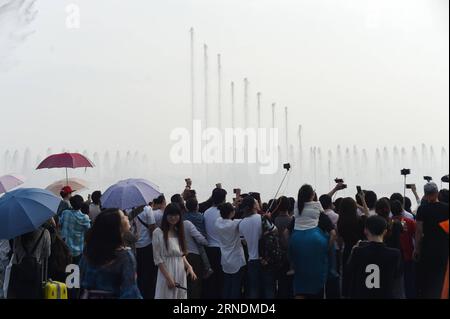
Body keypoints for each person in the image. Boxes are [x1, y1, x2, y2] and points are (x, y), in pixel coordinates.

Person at [80, 209, 142, 299]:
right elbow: (130, 292)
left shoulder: (89, 251)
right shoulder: (125, 256)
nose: (126, 217)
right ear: (117, 226)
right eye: (123, 217)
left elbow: (81, 281)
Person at [347, 215, 403, 299]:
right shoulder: (395, 254)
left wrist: (353, 250)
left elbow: (349, 270)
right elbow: (396, 277)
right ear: (385, 232)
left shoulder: (358, 251)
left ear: (365, 230)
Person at [289, 184, 329, 299]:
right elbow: (332, 231)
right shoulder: (317, 204)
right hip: (314, 237)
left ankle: (291, 266)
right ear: (312, 195)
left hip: (296, 239)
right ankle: (331, 272)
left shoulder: (297, 205)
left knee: (299, 279)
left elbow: (287, 233)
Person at [152, 204, 197, 299]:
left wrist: (189, 266)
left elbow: (180, 254)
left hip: (180, 270)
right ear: (166, 216)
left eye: (176, 215)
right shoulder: (158, 232)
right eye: (170, 215)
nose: (173, 218)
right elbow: (158, 259)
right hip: (167, 270)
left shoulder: (178, 231)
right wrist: (168, 278)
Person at [415, 182, 449, 299]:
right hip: (444, 247)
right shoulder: (446, 208)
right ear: (437, 193)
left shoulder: (422, 209)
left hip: (428, 247)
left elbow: (419, 231)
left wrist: (416, 249)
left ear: (425, 195)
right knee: (442, 275)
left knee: (428, 276)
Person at [239, 196, 276, 299]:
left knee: (254, 289)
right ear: (254, 206)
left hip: (252, 260)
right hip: (265, 258)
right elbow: (275, 231)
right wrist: (268, 219)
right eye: (256, 202)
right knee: (269, 288)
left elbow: (244, 242)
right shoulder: (262, 219)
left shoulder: (241, 223)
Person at [7, 227, 51, 299]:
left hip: (18, 270)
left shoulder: (17, 232)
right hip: (35, 271)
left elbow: (15, 249)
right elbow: (47, 254)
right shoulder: (45, 233)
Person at [337, 196, 367, 297]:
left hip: (347, 250)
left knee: (347, 276)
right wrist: (362, 201)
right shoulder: (360, 220)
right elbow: (368, 216)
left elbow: (340, 239)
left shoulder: (340, 222)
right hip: (361, 249)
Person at [215, 203, 246, 299]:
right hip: (237, 259)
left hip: (225, 259)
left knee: (227, 284)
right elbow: (246, 219)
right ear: (232, 212)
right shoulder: (235, 224)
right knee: (236, 286)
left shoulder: (217, 222)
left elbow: (224, 216)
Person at [203, 188, 227, 299]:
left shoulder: (206, 213)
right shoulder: (223, 213)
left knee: (211, 279)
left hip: (209, 248)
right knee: (221, 279)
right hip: (222, 249)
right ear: (223, 199)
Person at [391, 199, 416, 298]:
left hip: (394, 257)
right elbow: (416, 236)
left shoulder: (388, 223)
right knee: (409, 281)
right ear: (401, 209)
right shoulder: (409, 221)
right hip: (408, 254)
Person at [183, 197, 213, 279]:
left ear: (186, 207)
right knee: (202, 251)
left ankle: (208, 268)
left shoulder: (184, 216)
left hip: (189, 238)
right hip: (201, 236)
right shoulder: (200, 216)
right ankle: (208, 267)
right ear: (197, 207)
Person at [272, 196, 294, 298]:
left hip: (277, 255)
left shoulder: (273, 220)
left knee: (281, 283)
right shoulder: (292, 221)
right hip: (290, 256)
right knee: (290, 284)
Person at [60, 195, 91, 264]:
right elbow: (89, 232)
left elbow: (60, 224)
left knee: (65, 271)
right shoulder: (84, 217)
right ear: (81, 205)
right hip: (78, 251)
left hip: (65, 249)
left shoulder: (65, 213)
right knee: (76, 272)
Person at [134, 204, 157, 299]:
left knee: (137, 272)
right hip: (147, 245)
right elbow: (152, 228)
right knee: (148, 273)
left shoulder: (126, 210)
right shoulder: (147, 209)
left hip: (133, 247)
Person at [183, 217, 208, 299]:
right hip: (193, 256)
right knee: (195, 282)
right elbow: (199, 238)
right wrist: (206, 242)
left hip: (180, 256)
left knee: (184, 282)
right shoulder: (187, 223)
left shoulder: (171, 226)